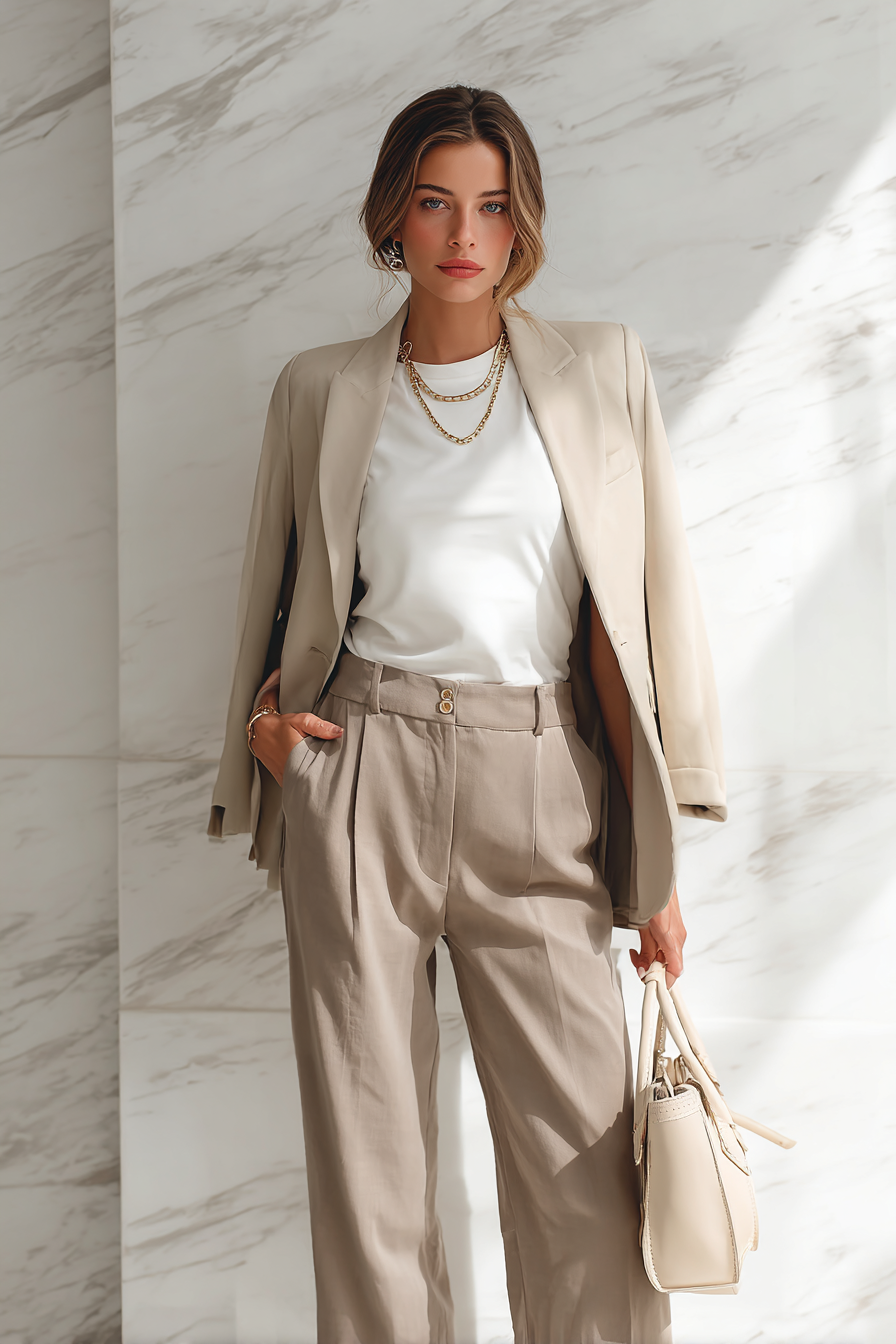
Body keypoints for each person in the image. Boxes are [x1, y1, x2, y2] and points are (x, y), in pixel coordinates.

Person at [208, 84, 726, 1344]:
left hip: (541, 775)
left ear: (520, 221)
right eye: (435, 204)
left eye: (491, 207)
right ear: (393, 216)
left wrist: (655, 856)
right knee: (369, 1179)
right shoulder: (321, 388)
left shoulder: (600, 370)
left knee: (584, 1181)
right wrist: (267, 743)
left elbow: (642, 605)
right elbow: (276, 598)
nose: (463, 235)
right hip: (362, 772)